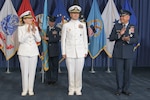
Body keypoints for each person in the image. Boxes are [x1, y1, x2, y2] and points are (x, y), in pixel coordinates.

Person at [109, 10, 138, 96]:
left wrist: (129, 40)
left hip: (128, 53)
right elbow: (111, 38)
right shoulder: (116, 26)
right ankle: (119, 89)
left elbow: (136, 39)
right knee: (119, 72)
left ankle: (126, 89)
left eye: (123, 16)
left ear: (128, 17)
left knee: (128, 72)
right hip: (118, 52)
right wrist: (119, 35)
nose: (121, 18)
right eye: (121, 16)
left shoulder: (133, 27)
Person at [61, 5, 88, 95]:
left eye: (77, 13)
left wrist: (85, 50)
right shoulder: (66, 25)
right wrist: (63, 52)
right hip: (69, 52)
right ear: (70, 14)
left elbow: (85, 38)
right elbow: (63, 39)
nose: (75, 15)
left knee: (79, 72)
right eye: (73, 13)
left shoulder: (83, 25)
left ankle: (78, 88)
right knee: (71, 72)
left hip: (80, 52)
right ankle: (71, 88)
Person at [17, 10, 41, 96]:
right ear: (24, 20)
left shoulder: (35, 27)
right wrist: (27, 32)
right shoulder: (20, 28)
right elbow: (20, 40)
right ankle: (24, 89)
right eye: (29, 18)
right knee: (24, 71)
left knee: (32, 71)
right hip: (23, 52)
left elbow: (39, 40)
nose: (31, 19)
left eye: (31, 18)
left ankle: (30, 89)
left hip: (33, 52)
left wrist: (34, 32)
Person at [43, 16, 61, 85]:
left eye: (53, 22)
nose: (52, 23)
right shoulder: (45, 29)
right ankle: (48, 79)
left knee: (55, 65)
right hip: (47, 50)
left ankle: (54, 79)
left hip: (54, 50)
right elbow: (43, 41)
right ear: (48, 22)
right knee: (48, 65)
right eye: (50, 22)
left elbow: (57, 38)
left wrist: (48, 39)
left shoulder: (57, 30)